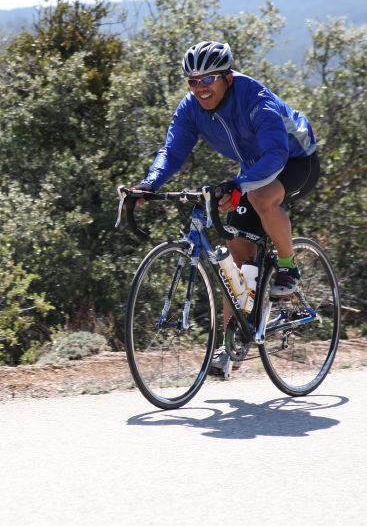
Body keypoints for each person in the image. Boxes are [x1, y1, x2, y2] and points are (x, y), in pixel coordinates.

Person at [132, 40, 320, 371]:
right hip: (254, 167)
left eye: (207, 80)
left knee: (261, 197)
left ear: (227, 77)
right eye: (193, 81)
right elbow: (173, 150)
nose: (200, 88)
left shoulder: (255, 99)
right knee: (236, 251)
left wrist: (237, 184)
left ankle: (288, 268)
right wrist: (150, 184)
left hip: (295, 159)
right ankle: (230, 342)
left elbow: (275, 154)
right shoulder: (190, 108)